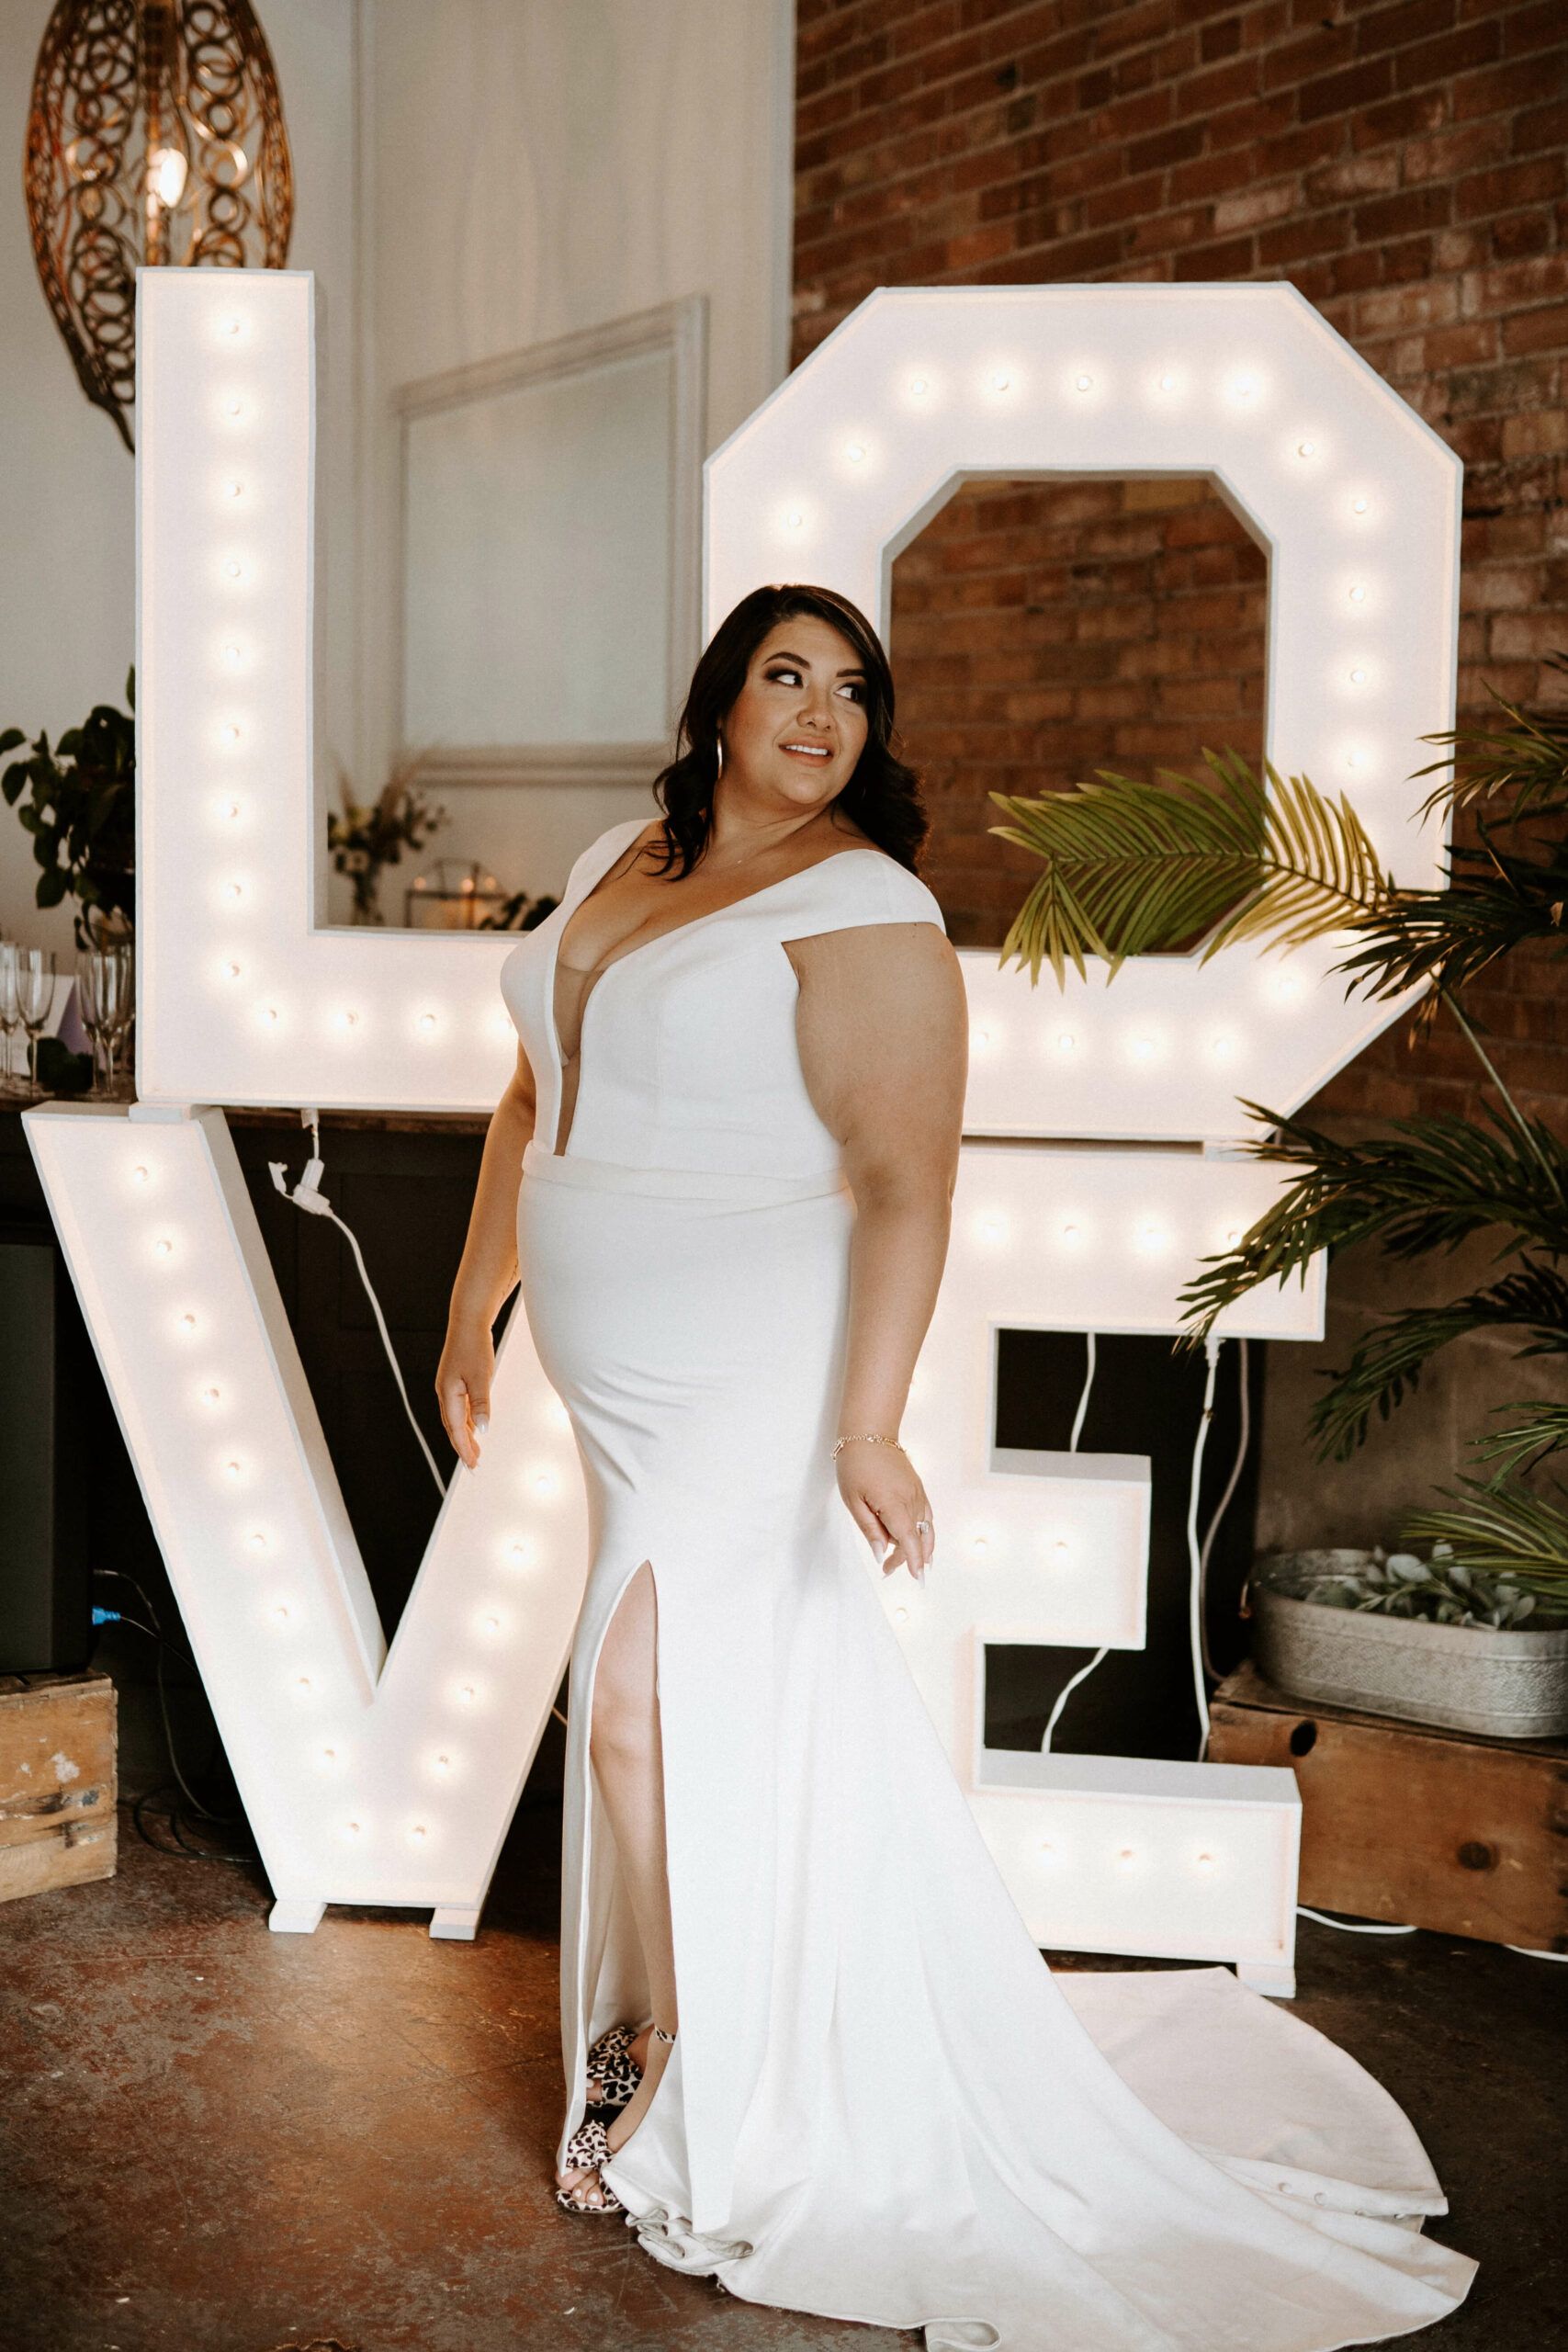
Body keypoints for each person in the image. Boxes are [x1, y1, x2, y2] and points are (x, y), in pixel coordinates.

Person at [435, 585, 1476, 2350]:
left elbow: (910, 1176)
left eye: (854, 692)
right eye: (787, 675)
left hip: (752, 1368)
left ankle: (682, 2044)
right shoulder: (628, 845)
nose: (820, 713)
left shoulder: (866, 903)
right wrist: (479, 1301)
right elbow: (537, 1088)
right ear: (718, 696)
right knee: (693, 1712)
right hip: (619, 1388)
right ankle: (717, 2016)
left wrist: (863, 1424)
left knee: (633, 1707)